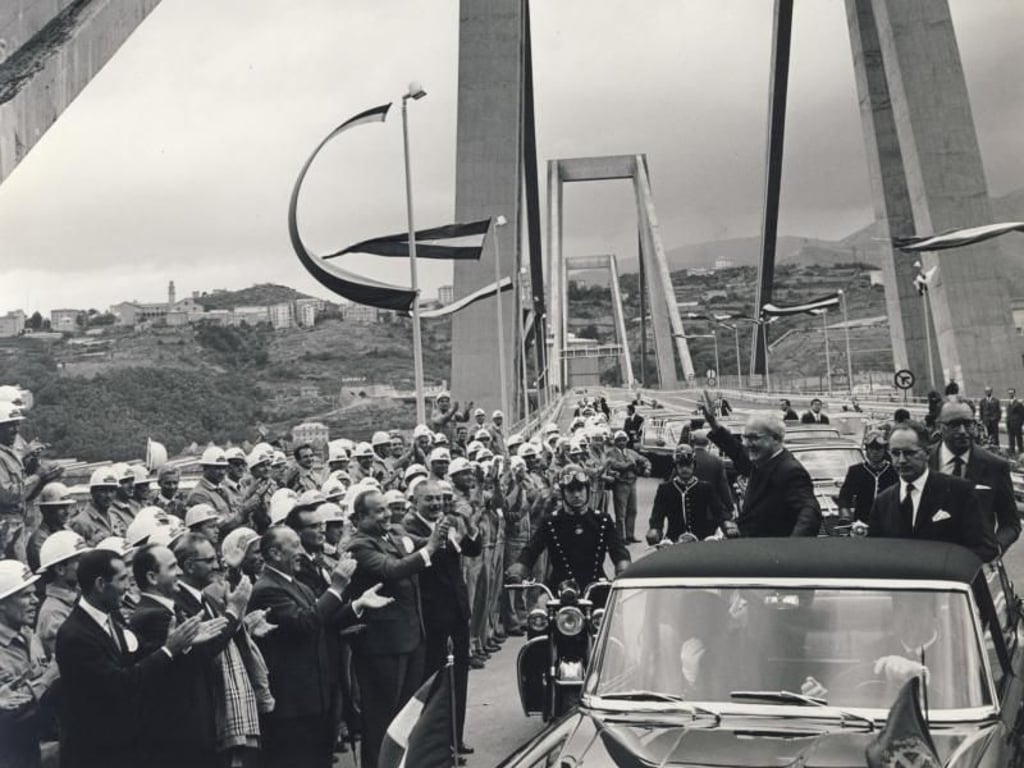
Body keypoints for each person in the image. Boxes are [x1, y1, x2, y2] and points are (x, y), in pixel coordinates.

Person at [250, 526, 390, 768]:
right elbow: (305, 622)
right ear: (274, 553)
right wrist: (336, 588)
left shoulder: (296, 585)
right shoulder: (267, 589)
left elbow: (325, 620)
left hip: (316, 698)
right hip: (293, 704)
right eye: (294, 546)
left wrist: (357, 604)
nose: (302, 552)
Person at [55, 548, 203, 768]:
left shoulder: (111, 617)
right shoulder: (75, 635)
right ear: (100, 584)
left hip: (127, 748)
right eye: (122, 579)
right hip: (97, 754)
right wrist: (169, 650)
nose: (128, 587)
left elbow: (137, 656)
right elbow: (119, 684)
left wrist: (179, 643)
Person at [344, 486, 450, 768]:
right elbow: (390, 569)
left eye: (386, 508)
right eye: (378, 511)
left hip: (412, 637)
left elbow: (423, 543)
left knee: (406, 715)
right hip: (383, 645)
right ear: (360, 517)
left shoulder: (393, 533)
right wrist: (429, 547)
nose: (387, 514)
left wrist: (436, 537)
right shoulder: (359, 545)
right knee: (381, 720)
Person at [130, 542, 249, 768]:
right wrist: (234, 612)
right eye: (173, 567)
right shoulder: (152, 615)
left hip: (192, 725)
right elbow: (201, 655)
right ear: (153, 577)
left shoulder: (167, 609)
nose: (181, 573)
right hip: (179, 732)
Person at [175, 533, 274, 768]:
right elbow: (209, 647)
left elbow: (222, 632)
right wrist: (233, 612)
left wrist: (245, 624)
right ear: (189, 566)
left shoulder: (202, 597)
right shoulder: (180, 602)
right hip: (206, 705)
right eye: (208, 561)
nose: (216, 565)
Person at [401, 480, 481, 757]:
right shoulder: (410, 528)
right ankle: (435, 746)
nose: (436, 504)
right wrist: (440, 538)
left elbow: (471, 550)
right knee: (436, 683)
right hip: (433, 619)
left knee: (459, 678)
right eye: (429, 500)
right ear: (415, 502)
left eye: (439, 499)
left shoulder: (448, 521)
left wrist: (470, 526)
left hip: (457, 613)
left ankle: (454, 740)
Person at [867, 421, 998, 562]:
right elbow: (875, 554)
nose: (901, 460)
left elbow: (986, 548)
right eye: (895, 453)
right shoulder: (883, 502)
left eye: (909, 453)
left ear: (928, 453)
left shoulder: (960, 492)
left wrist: (943, 563)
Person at [701, 391, 821, 537]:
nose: (748, 444)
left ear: (776, 439)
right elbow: (737, 451)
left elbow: (809, 511)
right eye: (745, 437)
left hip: (769, 553)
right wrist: (713, 423)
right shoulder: (763, 461)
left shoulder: (790, 471)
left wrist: (793, 548)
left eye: (754, 438)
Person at [507, 464, 631, 590]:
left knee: (612, 608)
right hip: (559, 590)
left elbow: (618, 550)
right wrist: (518, 570)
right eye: (571, 490)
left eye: (580, 489)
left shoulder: (602, 520)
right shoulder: (551, 521)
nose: (576, 495)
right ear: (563, 493)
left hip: (596, 588)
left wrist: (623, 570)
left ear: (587, 490)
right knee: (540, 607)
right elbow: (531, 550)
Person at [931, 399, 1019, 556]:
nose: (963, 431)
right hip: (930, 563)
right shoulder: (922, 462)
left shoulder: (996, 466)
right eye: (954, 424)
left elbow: (1011, 524)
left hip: (977, 565)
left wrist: (995, 549)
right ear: (940, 427)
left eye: (968, 424)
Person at [0, 559, 58, 768]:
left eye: (34, 593)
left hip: (35, 746)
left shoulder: (25, 632)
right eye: (26, 595)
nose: (35, 600)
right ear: (3, 604)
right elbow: (13, 710)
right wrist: (50, 676)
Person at [0, 403, 62, 560]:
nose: (16, 430)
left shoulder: (9, 454)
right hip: (5, 528)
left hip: (15, 526)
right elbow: (8, 495)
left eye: (17, 424)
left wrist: (41, 480)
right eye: (10, 426)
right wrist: (37, 476)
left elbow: (24, 496)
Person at [647, 446, 727, 544]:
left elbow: (719, 511)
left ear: (694, 465)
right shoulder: (665, 489)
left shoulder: (705, 487)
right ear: (676, 466)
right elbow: (657, 516)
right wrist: (655, 530)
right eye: (681, 465)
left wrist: (727, 523)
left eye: (688, 465)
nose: (685, 469)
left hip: (702, 539)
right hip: (674, 539)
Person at [35, 530, 89, 657]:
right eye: (79, 561)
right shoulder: (53, 612)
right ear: (60, 569)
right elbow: (70, 657)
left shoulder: (79, 596)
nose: (85, 566)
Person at [837, 430, 899, 524]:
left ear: (884, 450)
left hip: (890, 521)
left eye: (878, 449)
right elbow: (845, 496)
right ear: (866, 450)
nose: (875, 452)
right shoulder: (856, 471)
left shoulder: (894, 471)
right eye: (871, 449)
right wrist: (844, 510)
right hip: (862, 522)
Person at [69, 466, 135, 545]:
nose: (108, 495)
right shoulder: (80, 522)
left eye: (112, 490)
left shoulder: (115, 517)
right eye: (103, 490)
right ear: (93, 492)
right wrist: (91, 544)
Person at [605, 430, 651, 543]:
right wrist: (630, 465)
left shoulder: (631, 452)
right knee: (621, 512)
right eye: (619, 440)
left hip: (632, 483)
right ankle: (621, 536)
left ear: (627, 441)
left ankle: (630, 534)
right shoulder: (610, 453)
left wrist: (647, 468)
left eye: (623, 440)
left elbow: (644, 460)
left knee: (632, 510)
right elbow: (615, 465)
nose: (621, 442)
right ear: (614, 442)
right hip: (620, 484)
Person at [27, 481, 76, 573]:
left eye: (68, 506)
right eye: (61, 507)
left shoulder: (67, 530)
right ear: (45, 510)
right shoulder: (39, 541)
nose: (67, 512)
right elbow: (52, 572)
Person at [690, 430, 735, 518]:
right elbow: (723, 487)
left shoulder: (686, 459)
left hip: (688, 507)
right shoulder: (716, 461)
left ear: (692, 441)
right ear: (708, 442)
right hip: (709, 510)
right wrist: (730, 507)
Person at [1006, 389, 1024, 455]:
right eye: (1009, 393)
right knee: (1011, 439)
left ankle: (1021, 451)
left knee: (1019, 439)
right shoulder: (1008, 403)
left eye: (1012, 393)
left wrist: (1020, 424)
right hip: (1010, 424)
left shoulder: (1018, 403)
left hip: (1017, 424)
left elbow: (1022, 414)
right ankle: (1012, 451)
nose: (1010, 394)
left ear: (1014, 394)